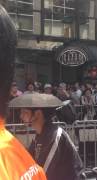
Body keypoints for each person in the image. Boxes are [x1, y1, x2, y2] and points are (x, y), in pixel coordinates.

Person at [0, 5, 47, 179]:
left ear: (39, 114)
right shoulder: (22, 157)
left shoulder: (52, 136)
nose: (22, 116)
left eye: (26, 113)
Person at [9, 94, 83, 180]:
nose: (21, 116)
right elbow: (29, 160)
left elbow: (43, 171)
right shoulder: (40, 134)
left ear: (37, 114)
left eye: (25, 112)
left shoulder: (55, 136)